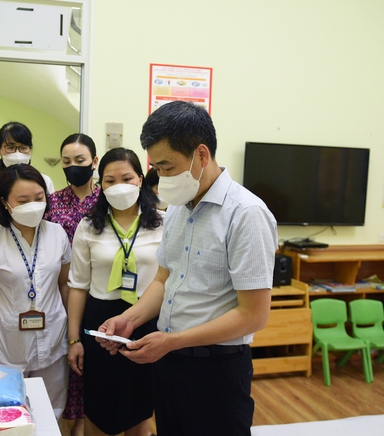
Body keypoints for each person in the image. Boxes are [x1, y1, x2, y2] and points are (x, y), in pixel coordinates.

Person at [99, 101, 278, 436]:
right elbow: (164, 279)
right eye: (158, 169)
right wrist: (131, 318)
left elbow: (254, 314)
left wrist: (172, 341)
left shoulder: (246, 214)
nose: (162, 178)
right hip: (169, 363)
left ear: (201, 155)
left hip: (216, 370)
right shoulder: (180, 208)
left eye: (168, 168)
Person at [67, 148, 164, 436]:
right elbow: (78, 286)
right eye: (110, 180)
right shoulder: (88, 226)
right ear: (100, 184)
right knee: (99, 408)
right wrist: (74, 339)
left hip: (147, 319)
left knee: (139, 409)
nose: (119, 185)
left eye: (127, 177)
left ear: (141, 179)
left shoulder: (163, 223)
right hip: (100, 322)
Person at [0, 163, 71, 420]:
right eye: (23, 200)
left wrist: (72, 337)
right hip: (7, 345)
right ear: (5, 203)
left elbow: (64, 285)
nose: (34, 205)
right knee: (6, 414)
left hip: (53, 341)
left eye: (39, 198)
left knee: (51, 412)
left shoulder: (58, 234)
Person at [43, 133, 99, 436]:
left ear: (94, 160)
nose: (73, 167)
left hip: (100, 296)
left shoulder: (107, 200)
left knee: (93, 369)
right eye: (67, 162)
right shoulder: (51, 203)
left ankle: (86, 427)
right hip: (60, 295)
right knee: (66, 365)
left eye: (80, 161)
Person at [0, 121, 56, 250]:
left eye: (23, 148)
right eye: (10, 147)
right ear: (0, 150)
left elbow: (51, 220)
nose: (17, 153)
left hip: (37, 252)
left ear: (30, 150)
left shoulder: (44, 181)